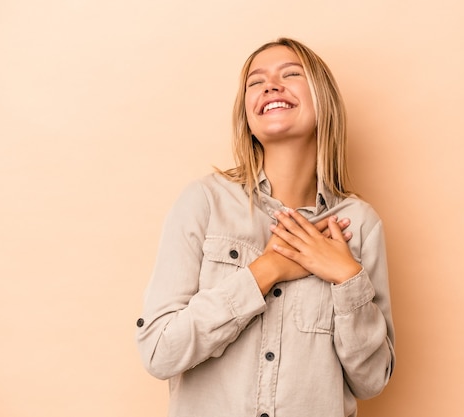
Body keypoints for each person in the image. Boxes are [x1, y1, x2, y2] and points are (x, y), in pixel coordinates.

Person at [136, 37, 395, 417]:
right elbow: (158, 351)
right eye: (256, 82)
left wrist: (346, 277)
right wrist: (267, 269)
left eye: (290, 74)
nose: (271, 85)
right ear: (247, 115)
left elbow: (371, 381)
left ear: (323, 100)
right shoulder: (204, 203)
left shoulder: (359, 224)